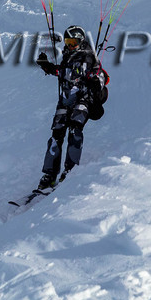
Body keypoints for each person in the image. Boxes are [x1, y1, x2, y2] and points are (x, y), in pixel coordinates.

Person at [35, 25, 108, 190]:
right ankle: (49, 175)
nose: (69, 46)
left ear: (81, 42)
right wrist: (47, 66)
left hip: (83, 99)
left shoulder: (89, 57)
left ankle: (70, 171)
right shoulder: (67, 56)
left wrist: (96, 81)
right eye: (67, 42)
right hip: (66, 100)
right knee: (56, 136)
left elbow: (100, 74)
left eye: (73, 43)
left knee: (75, 129)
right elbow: (63, 73)